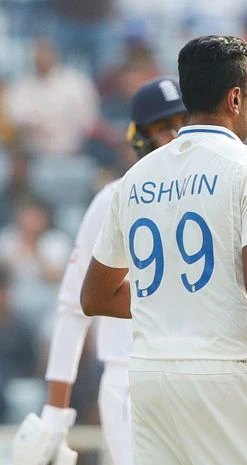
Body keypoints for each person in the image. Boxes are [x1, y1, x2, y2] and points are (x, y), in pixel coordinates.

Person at [79, 36, 247, 465]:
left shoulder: (135, 178)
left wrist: (176, 300)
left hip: (152, 377)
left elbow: (94, 297)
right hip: (230, 370)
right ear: (236, 97)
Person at [10, 76, 187, 465]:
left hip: (200, 372)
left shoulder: (215, 190)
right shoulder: (114, 199)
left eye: (182, 123)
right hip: (132, 374)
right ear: (140, 138)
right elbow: (74, 305)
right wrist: (57, 412)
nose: (176, 137)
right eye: (164, 128)